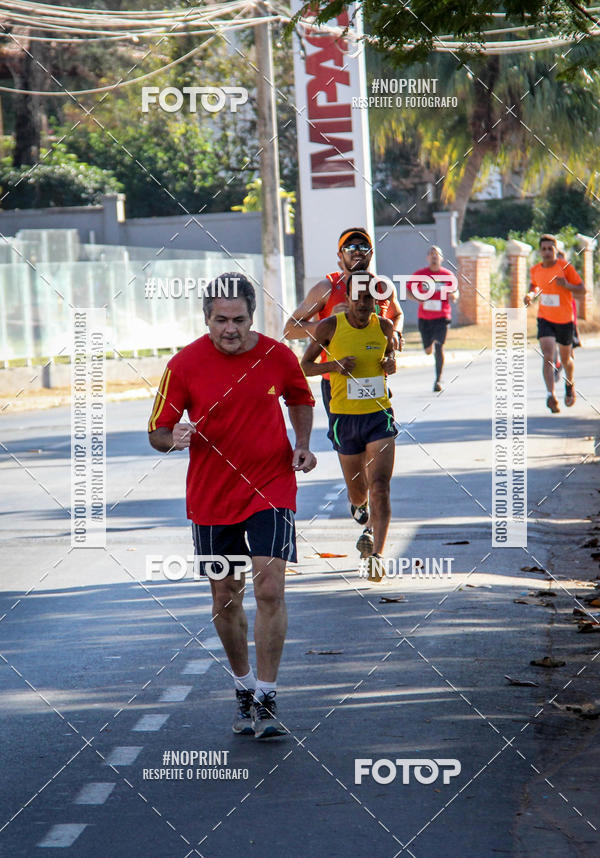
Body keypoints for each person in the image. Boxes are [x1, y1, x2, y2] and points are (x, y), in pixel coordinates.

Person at [148, 273, 317, 739]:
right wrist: (173, 438)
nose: (230, 329)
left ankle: (267, 694)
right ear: (206, 319)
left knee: (269, 589)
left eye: (239, 320)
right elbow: (156, 432)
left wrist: (302, 443)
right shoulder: (183, 365)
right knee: (226, 597)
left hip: (271, 488)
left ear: (251, 318)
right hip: (211, 497)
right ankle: (242, 685)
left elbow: (301, 398)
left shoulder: (278, 356)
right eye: (220, 320)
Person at [301, 271, 397, 583]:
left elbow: (391, 355)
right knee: (360, 493)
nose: (365, 304)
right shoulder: (329, 326)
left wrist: (390, 364)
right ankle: (359, 507)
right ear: (348, 299)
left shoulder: (383, 326)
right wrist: (334, 366)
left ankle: (377, 558)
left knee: (380, 485)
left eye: (371, 298)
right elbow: (305, 366)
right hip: (345, 418)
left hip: (378, 415)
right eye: (359, 298)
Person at [284, 227, 403, 418]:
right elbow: (290, 329)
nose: (357, 251)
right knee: (347, 446)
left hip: (375, 377)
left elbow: (396, 314)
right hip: (336, 378)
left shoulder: (382, 287)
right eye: (350, 247)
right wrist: (327, 324)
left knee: (380, 439)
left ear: (371, 254)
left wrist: (395, 332)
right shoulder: (326, 288)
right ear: (340, 255)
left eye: (363, 246)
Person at [524, 235, 585, 413]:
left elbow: (582, 289)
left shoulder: (565, 268)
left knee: (566, 360)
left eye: (550, 249)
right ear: (540, 251)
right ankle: (551, 395)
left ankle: (569, 383)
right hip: (545, 318)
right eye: (544, 249)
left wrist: (567, 286)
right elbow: (534, 286)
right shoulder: (535, 269)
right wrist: (530, 296)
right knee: (548, 355)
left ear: (556, 251)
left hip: (565, 320)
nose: (547, 252)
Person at [407, 245, 459, 392]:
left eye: (437, 254)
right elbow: (408, 290)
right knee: (428, 350)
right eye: (431, 254)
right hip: (425, 318)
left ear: (441, 258)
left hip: (442, 317)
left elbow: (456, 291)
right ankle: (428, 347)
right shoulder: (420, 275)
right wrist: (418, 298)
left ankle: (438, 379)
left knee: (438, 346)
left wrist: (454, 296)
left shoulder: (447, 275)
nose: (434, 256)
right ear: (427, 258)